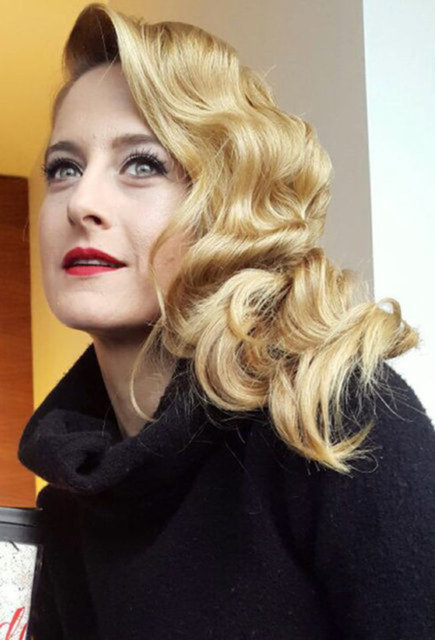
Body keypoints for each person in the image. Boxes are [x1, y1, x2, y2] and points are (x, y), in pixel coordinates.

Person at [18, 3, 435, 639]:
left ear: (227, 204)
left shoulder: (334, 417)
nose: (81, 201)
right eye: (63, 168)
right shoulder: (72, 504)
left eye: (142, 164)